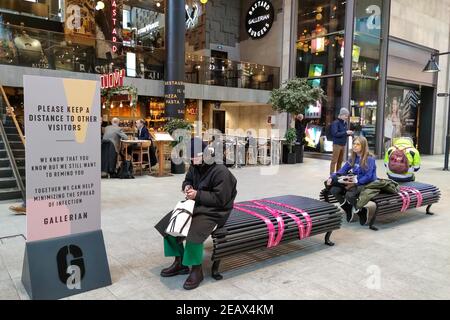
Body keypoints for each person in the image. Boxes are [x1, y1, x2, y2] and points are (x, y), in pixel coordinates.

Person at [155, 137, 237, 290]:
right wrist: (187, 187)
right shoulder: (195, 165)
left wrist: (197, 195)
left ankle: (196, 270)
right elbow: (187, 180)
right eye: (191, 158)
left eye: (195, 157)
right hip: (196, 205)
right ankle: (179, 263)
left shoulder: (220, 170)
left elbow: (221, 199)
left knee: (194, 233)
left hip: (216, 211)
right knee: (169, 226)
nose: (193, 161)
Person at [326, 136, 377, 225]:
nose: (355, 146)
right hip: (354, 181)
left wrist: (354, 183)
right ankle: (347, 207)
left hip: (366, 183)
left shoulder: (369, 159)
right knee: (333, 189)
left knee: (349, 195)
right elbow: (342, 170)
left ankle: (361, 211)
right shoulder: (353, 158)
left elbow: (368, 176)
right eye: (354, 144)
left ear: (363, 146)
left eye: (358, 144)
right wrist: (331, 177)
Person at [330, 108, 354, 174]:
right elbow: (335, 133)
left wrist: (349, 134)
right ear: (341, 115)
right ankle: (331, 175)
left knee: (340, 161)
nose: (346, 117)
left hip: (343, 144)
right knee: (334, 161)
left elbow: (344, 134)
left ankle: (338, 174)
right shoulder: (335, 123)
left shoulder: (345, 123)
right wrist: (346, 133)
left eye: (347, 116)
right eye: (345, 115)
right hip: (337, 144)